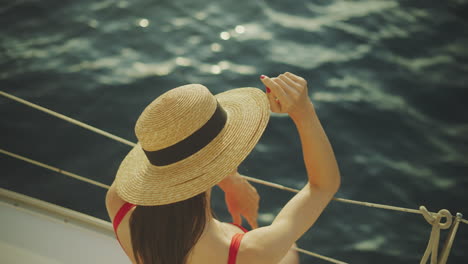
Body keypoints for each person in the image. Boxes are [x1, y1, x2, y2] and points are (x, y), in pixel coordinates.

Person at [105, 72, 341, 264]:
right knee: (289, 252)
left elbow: (176, 155)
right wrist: (304, 113)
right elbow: (323, 186)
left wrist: (230, 178)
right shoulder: (245, 253)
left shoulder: (118, 203)